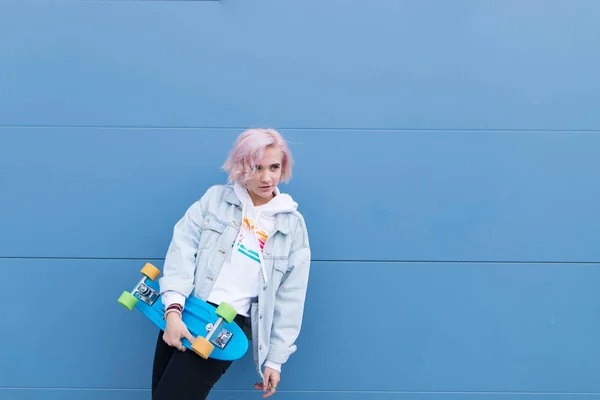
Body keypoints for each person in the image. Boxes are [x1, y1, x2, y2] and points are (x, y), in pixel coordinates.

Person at [151, 128, 311, 400]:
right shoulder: (215, 200)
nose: (266, 177)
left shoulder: (291, 225)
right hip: (187, 309)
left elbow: (290, 298)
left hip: (226, 326)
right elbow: (182, 249)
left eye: (274, 167)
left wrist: (275, 359)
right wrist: (173, 313)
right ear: (241, 166)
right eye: (256, 167)